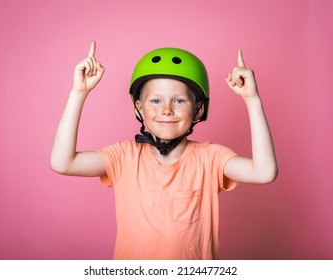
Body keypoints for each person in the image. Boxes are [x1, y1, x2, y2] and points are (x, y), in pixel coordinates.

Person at [50, 41, 278, 260]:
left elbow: (264, 172)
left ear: (198, 110)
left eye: (179, 101)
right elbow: (63, 162)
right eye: (155, 101)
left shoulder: (211, 159)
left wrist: (252, 100)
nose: (166, 110)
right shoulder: (123, 157)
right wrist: (78, 93)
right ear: (139, 107)